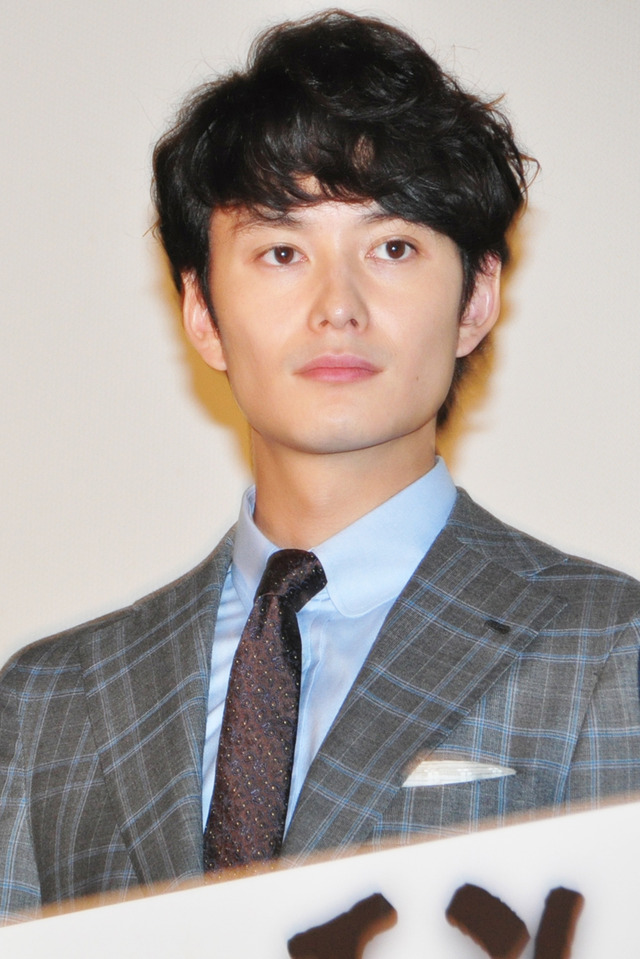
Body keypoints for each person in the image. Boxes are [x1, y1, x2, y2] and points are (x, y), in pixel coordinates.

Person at [1, 9, 639, 925]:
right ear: (202, 313)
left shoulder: (609, 648)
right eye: (282, 252)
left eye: (393, 247)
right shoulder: (50, 699)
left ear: (476, 297)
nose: (337, 306)